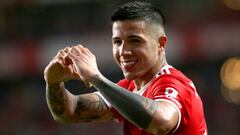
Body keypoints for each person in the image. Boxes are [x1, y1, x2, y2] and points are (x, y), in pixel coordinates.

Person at [44, 1, 207, 135]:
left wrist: (96, 78)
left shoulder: (174, 84)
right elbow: (69, 112)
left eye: (135, 40)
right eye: (117, 42)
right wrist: (53, 82)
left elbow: (161, 122)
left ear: (161, 44)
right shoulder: (128, 89)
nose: (123, 51)